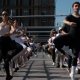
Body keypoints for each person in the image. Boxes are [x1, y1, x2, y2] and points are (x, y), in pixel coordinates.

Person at [0, 11, 23, 80]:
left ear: (7, 16)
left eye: (6, 14)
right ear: (1, 16)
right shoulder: (0, 24)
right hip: (1, 41)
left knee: (20, 47)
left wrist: (9, 33)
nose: (5, 16)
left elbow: (13, 30)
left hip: (8, 40)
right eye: (3, 14)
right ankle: (8, 75)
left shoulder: (9, 23)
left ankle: (9, 57)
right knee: (5, 60)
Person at [63, 1, 80, 79]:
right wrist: (69, 23)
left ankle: (72, 73)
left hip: (78, 39)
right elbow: (64, 21)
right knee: (73, 55)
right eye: (75, 6)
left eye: (78, 6)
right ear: (73, 7)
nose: (77, 7)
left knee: (75, 55)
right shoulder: (70, 16)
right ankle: (72, 73)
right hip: (71, 39)